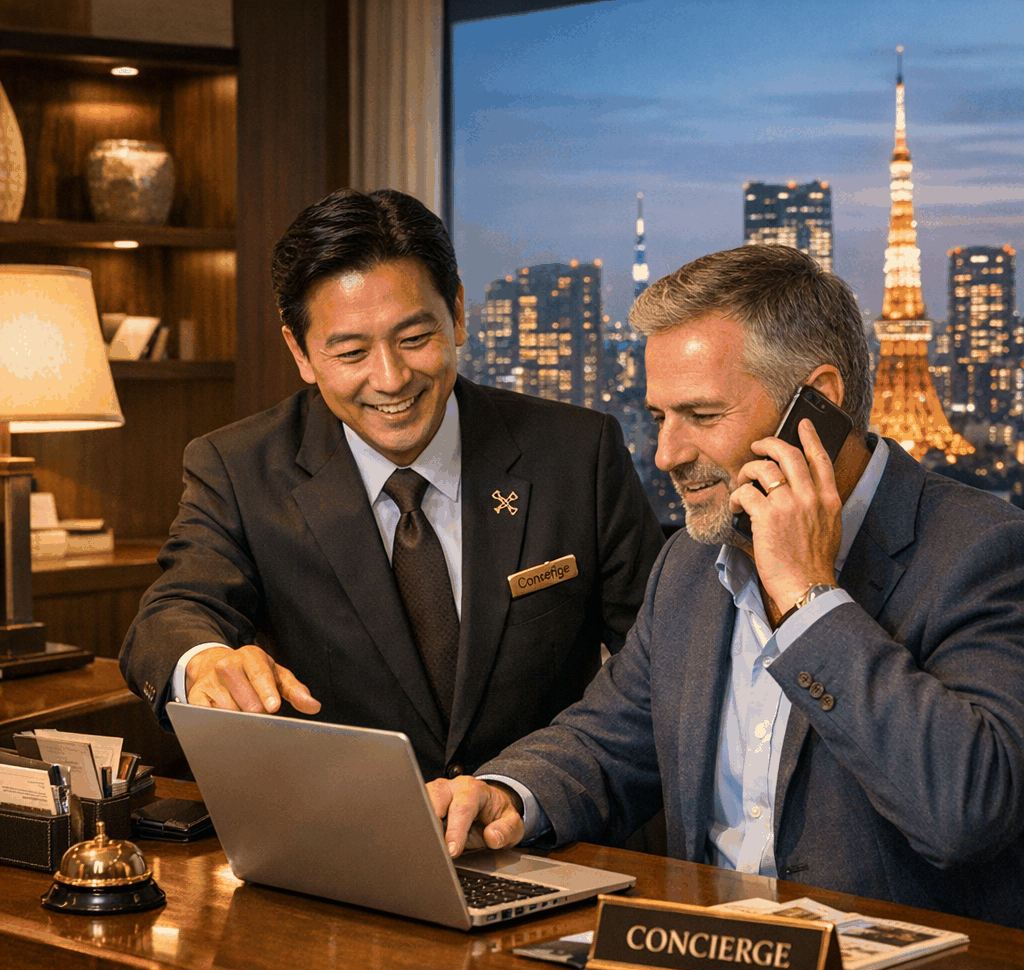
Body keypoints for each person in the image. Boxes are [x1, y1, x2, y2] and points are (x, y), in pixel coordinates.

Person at [431, 245, 1024, 928]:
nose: (667, 455)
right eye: (660, 417)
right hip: (707, 960)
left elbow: (966, 811)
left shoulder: (985, 552)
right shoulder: (689, 564)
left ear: (818, 404)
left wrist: (807, 596)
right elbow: (607, 742)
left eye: (703, 417)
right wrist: (508, 794)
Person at [119, 188, 663, 782]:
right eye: (351, 351)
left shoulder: (579, 453)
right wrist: (203, 661)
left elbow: (658, 661)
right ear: (300, 351)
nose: (391, 378)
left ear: (457, 313)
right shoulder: (237, 468)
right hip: (344, 823)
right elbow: (173, 612)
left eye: (414, 339)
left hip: (548, 818)